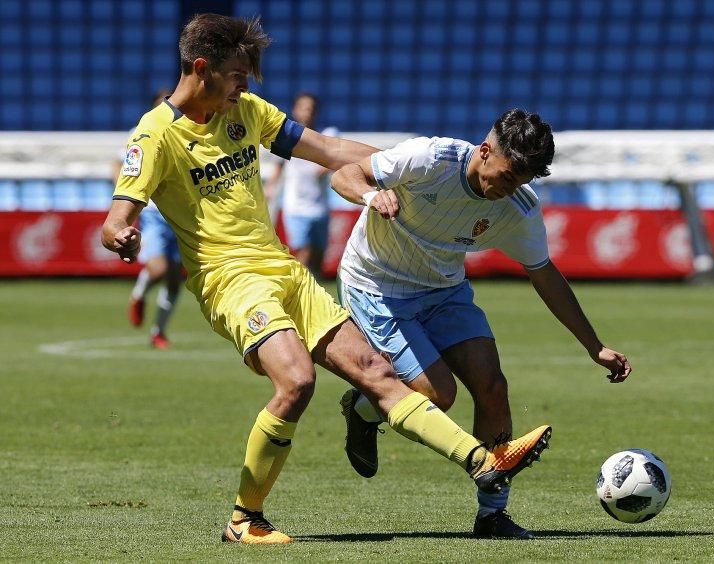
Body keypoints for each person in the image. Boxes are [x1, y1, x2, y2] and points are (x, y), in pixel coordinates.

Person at [100, 14, 552, 545]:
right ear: (202, 69)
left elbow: (330, 151)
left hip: (284, 267)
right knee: (296, 381)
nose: (245, 86)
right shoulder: (154, 136)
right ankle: (245, 519)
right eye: (238, 75)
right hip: (230, 279)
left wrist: (413, 170)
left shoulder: (244, 111)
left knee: (377, 374)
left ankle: (481, 464)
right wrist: (121, 237)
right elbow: (115, 220)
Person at [331, 109, 632, 539]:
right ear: (485, 152)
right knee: (436, 393)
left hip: (445, 290)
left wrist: (593, 346)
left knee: (492, 386)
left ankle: (492, 515)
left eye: (522, 182)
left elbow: (545, 275)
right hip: (377, 286)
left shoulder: (518, 208)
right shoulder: (428, 160)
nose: (511, 190)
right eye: (508, 177)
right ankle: (364, 408)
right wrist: (369, 196)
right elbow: (344, 173)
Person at [114, 90, 183, 349]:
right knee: (161, 269)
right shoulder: (142, 131)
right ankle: (139, 293)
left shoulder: (186, 131)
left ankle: (158, 331)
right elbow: (118, 164)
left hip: (180, 214)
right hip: (154, 213)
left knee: (176, 279)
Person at [263, 93, 335, 278]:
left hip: (320, 207)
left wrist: (325, 168)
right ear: (295, 110)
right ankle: (301, 296)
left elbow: (337, 160)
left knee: (318, 257)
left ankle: (314, 296)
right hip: (295, 206)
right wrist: (270, 187)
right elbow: (278, 168)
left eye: (310, 108)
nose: (307, 112)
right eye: (303, 107)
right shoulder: (286, 139)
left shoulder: (326, 138)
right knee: (304, 252)